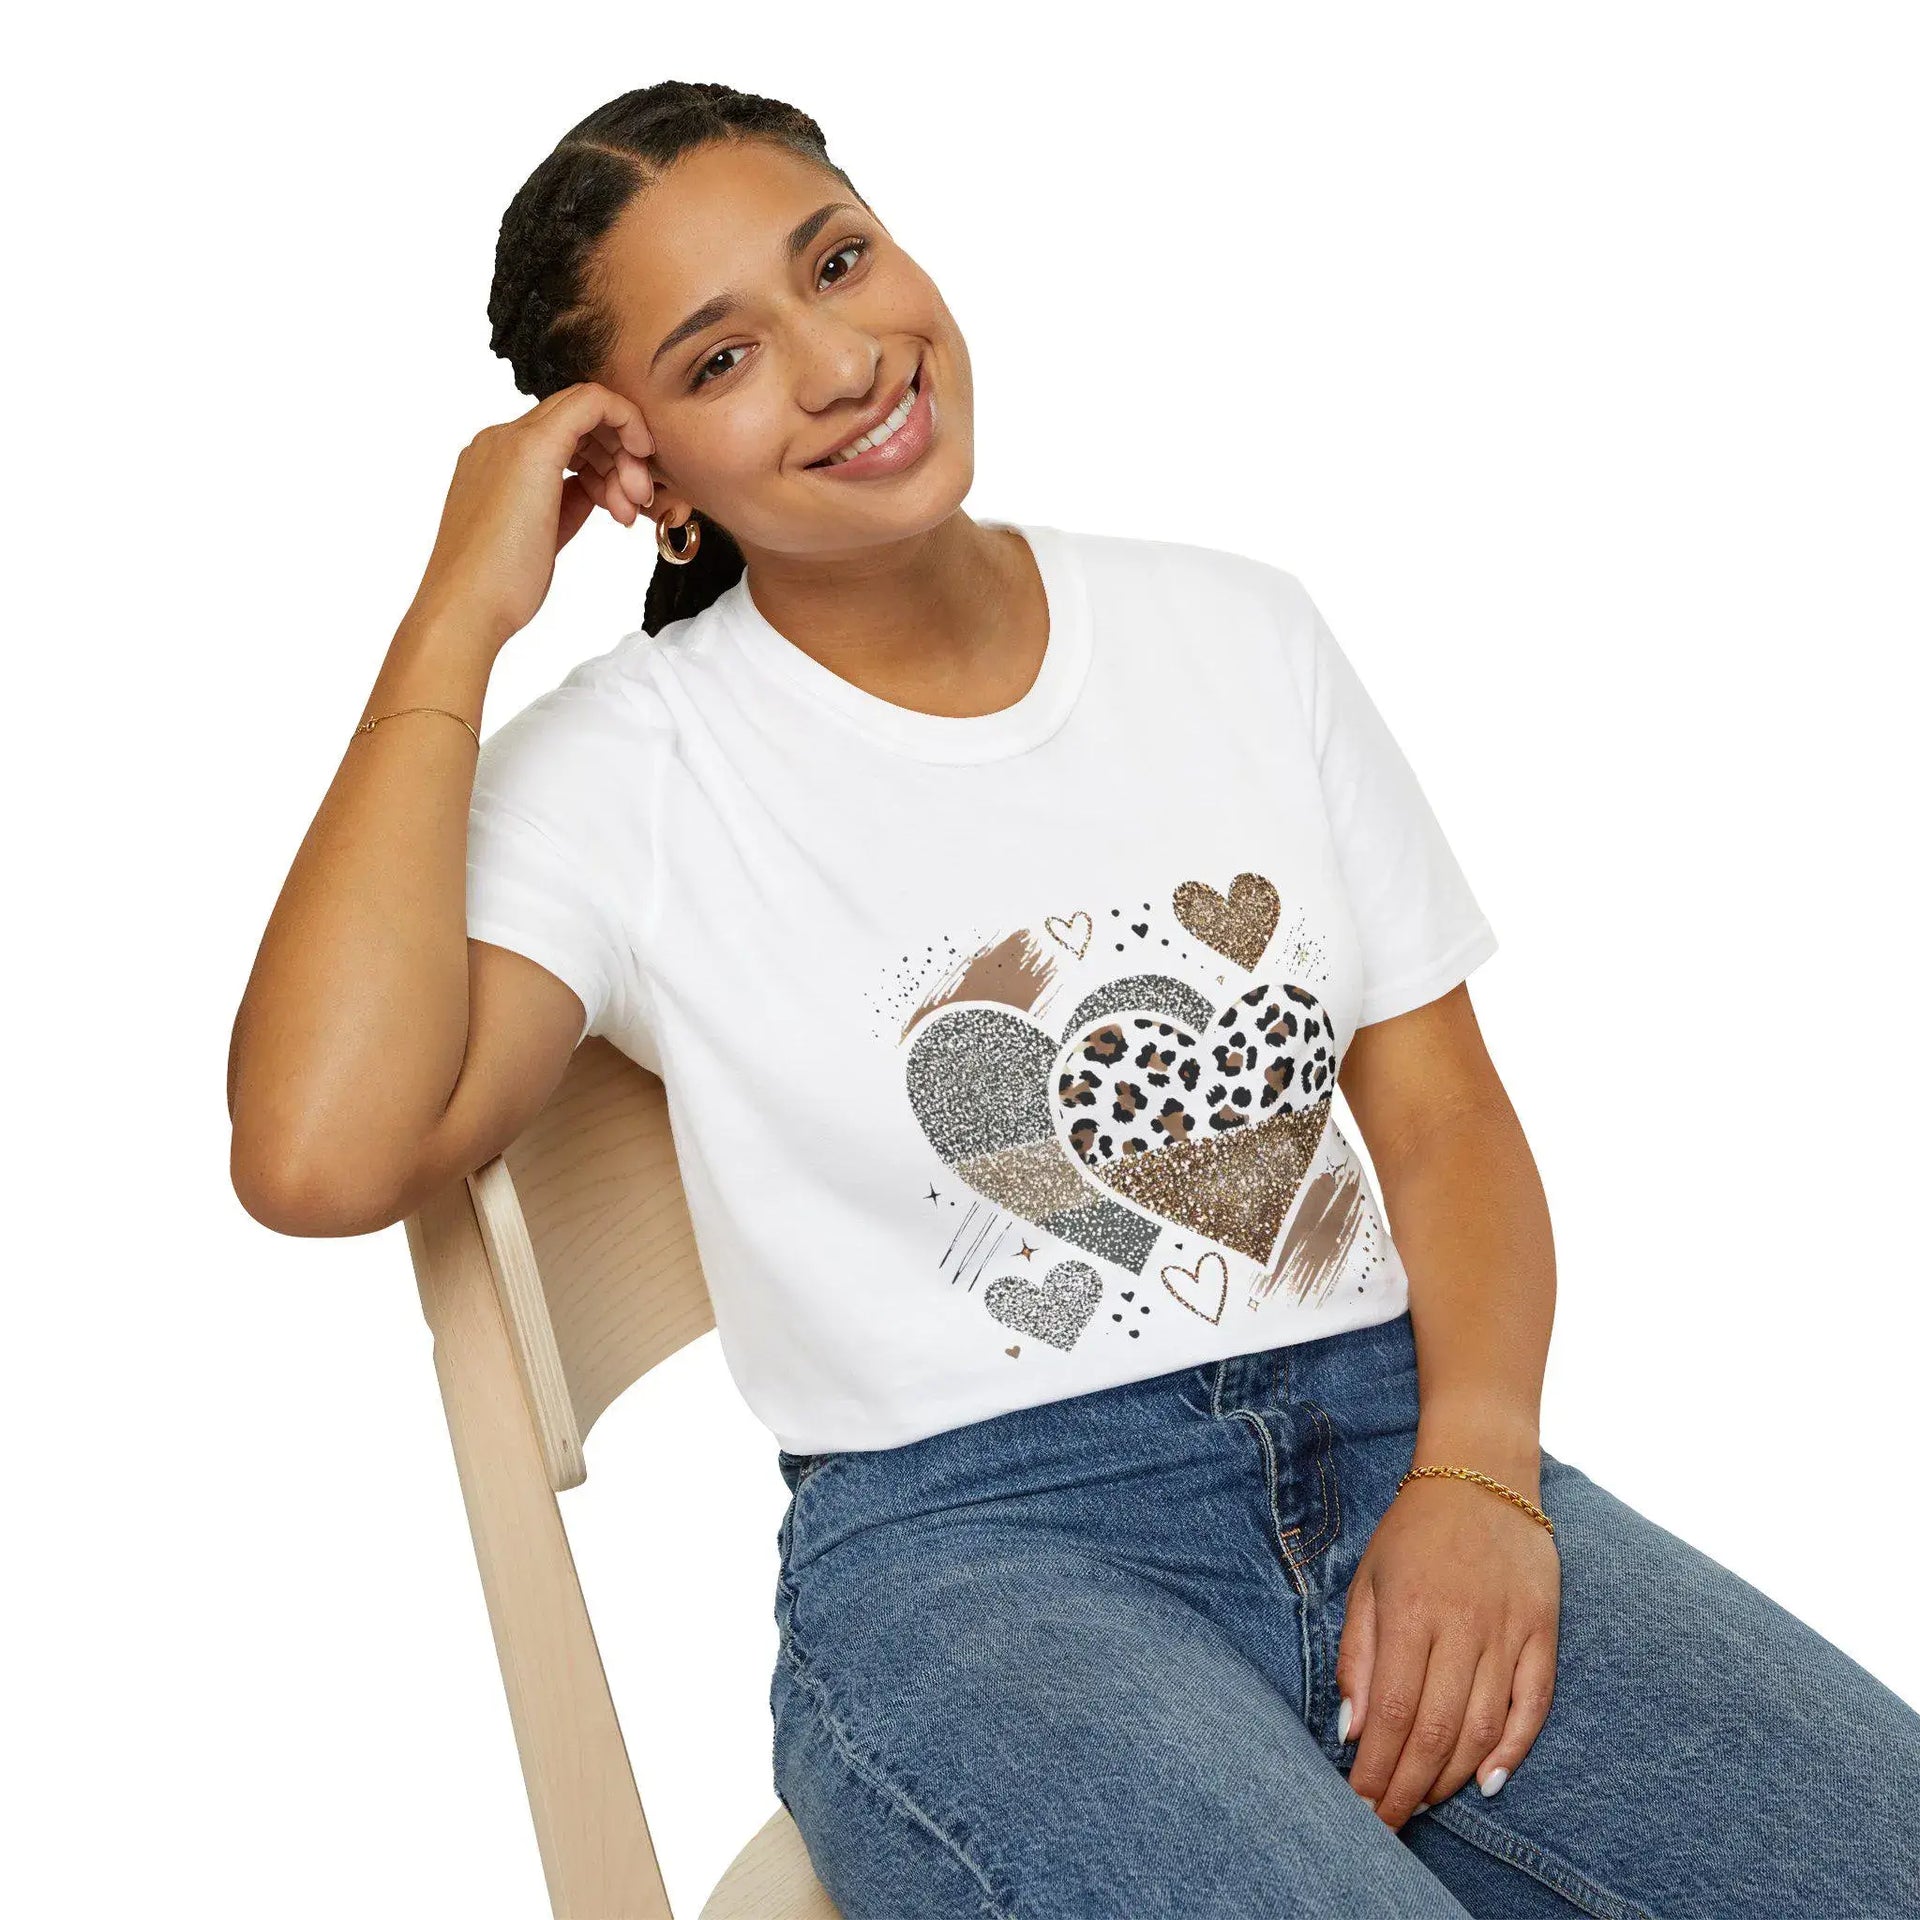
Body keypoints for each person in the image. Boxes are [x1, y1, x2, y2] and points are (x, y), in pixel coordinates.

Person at [226, 80, 1920, 1919]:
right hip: (976, 1561)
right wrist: (455, 614)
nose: (842, 362)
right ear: (646, 477)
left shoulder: (1239, 632)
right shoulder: (631, 771)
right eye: (722, 359)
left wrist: (1482, 1473)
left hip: (1398, 1440)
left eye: (838, 262)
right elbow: (318, 1155)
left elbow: (1442, 1120)